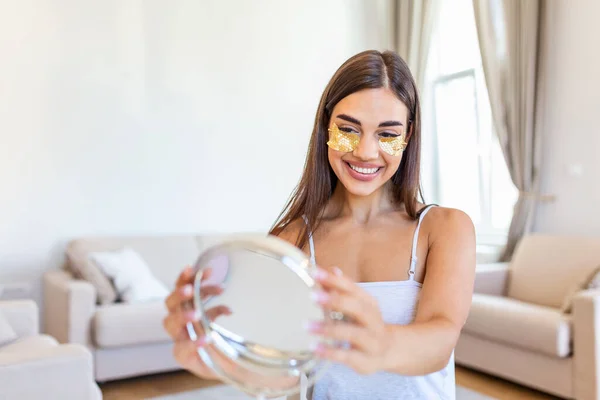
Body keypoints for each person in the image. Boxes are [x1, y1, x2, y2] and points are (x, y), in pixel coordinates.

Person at [163, 49, 476, 400]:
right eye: (348, 130)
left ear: (408, 135)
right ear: (327, 125)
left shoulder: (445, 228)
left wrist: (382, 344)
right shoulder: (291, 240)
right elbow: (288, 372)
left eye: (386, 134)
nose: (366, 152)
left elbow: (440, 341)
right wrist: (228, 362)